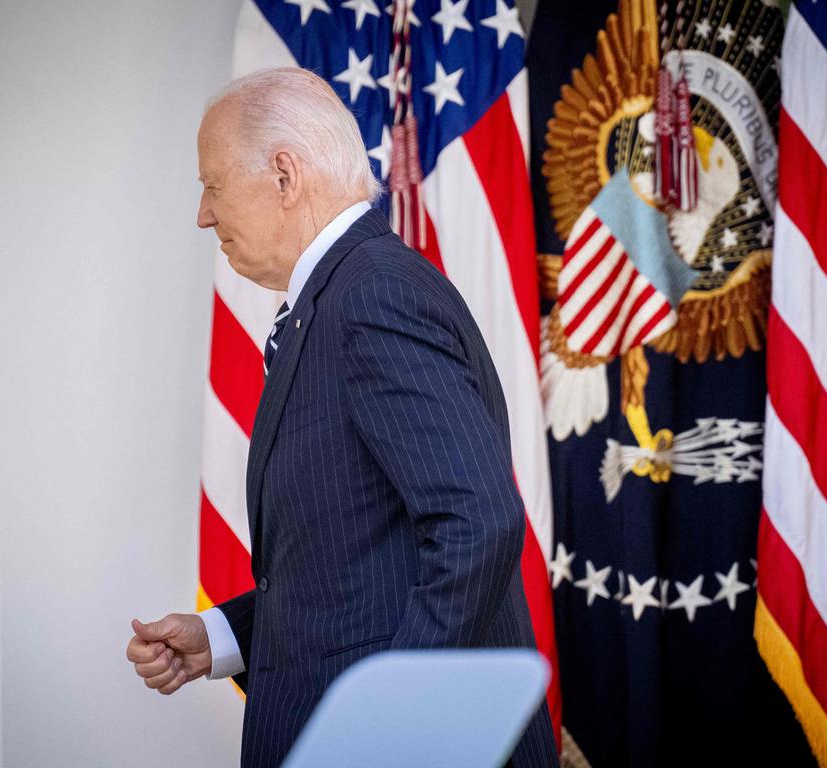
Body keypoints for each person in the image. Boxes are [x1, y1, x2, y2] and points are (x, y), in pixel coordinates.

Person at [126, 67, 559, 768]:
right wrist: (224, 637)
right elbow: (363, 567)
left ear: (284, 176)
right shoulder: (341, 299)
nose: (204, 214)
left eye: (211, 184)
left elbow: (477, 523)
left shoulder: (373, 296)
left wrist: (386, 723)